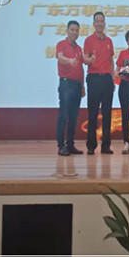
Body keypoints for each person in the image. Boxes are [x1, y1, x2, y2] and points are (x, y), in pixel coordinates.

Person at [83, 12, 115, 155]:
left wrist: (113, 78)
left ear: (104, 23)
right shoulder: (89, 40)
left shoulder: (109, 41)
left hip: (107, 79)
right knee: (93, 113)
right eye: (97, 21)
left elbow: (111, 61)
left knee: (107, 114)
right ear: (94, 24)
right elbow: (85, 58)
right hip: (94, 79)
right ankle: (91, 146)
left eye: (102, 21)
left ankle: (106, 145)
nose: (100, 23)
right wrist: (90, 60)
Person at [55, 20, 85, 156]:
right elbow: (60, 58)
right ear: (67, 31)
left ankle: (70, 144)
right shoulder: (61, 44)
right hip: (66, 84)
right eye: (72, 29)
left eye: (76, 30)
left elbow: (81, 68)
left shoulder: (79, 49)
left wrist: (83, 86)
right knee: (64, 115)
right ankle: (61, 145)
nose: (74, 32)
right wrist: (70, 61)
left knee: (74, 117)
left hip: (77, 85)